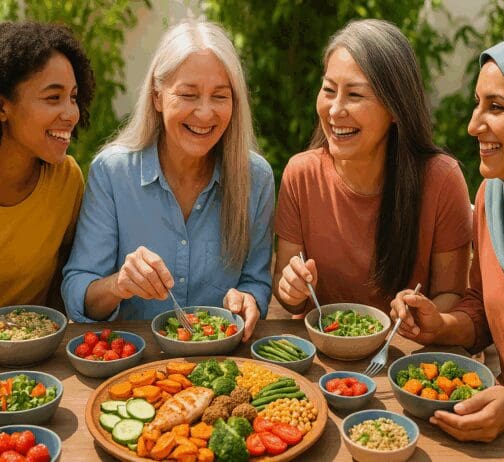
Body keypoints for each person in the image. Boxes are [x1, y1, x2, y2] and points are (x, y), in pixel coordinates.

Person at [62, 19, 274, 342]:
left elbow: (255, 282)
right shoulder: (112, 173)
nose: (205, 114)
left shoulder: (256, 179)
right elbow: (78, 291)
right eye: (188, 95)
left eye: (220, 96)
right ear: (158, 97)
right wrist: (120, 283)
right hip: (133, 367)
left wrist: (249, 300)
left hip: (224, 366)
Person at [273, 19, 472, 318]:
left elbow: (451, 294)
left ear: (395, 107)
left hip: (409, 355)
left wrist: (421, 316)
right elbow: (287, 294)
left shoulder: (441, 180)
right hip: (327, 352)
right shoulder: (301, 175)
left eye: (354, 95)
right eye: (329, 89)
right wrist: (291, 288)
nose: (335, 109)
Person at [391, 33, 504, 442]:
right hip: (492, 429)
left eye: (497, 107)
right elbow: (485, 314)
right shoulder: (493, 198)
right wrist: (441, 325)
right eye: (478, 103)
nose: (474, 125)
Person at [0, 21, 95, 309]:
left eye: (73, 97)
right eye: (53, 98)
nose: (70, 113)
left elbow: (63, 280)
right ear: (3, 107)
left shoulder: (66, 180)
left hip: (35, 346)